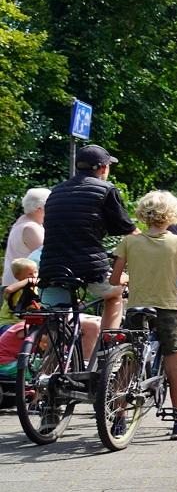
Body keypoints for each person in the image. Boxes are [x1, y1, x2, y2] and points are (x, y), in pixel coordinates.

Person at [110, 189, 177, 441]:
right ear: (172, 214)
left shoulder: (129, 242)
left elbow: (115, 279)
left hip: (137, 309)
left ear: (143, 214)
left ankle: (118, 420)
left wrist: (131, 280)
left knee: (129, 360)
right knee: (175, 362)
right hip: (167, 309)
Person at [40, 143, 132, 357]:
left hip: (52, 267)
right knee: (115, 294)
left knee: (57, 322)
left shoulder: (57, 191)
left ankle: (48, 371)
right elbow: (128, 229)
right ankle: (108, 348)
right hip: (88, 267)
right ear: (103, 168)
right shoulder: (105, 189)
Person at [4, 187, 49, 266]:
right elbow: (45, 257)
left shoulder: (20, 223)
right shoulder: (32, 228)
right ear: (39, 208)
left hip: (16, 276)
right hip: (23, 277)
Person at [0, 258, 37, 327]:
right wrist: (27, 281)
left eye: (35, 272)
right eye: (29, 274)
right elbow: (8, 290)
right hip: (9, 323)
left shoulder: (36, 289)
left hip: (27, 323)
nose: (34, 276)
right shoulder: (16, 289)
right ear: (17, 276)